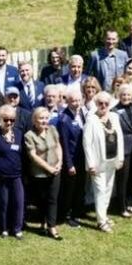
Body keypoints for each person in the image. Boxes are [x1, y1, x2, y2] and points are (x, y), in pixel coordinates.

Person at [83, 92, 124, 232]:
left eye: (106, 103)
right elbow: (87, 144)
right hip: (98, 162)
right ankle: (101, 222)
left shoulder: (114, 117)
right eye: (100, 103)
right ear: (96, 104)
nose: (103, 106)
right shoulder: (91, 120)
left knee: (108, 189)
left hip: (112, 160)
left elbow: (120, 138)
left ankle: (104, 216)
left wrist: (120, 158)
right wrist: (90, 164)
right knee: (100, 191)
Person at [0, 104, 26, 239]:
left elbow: (23, 154)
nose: (9, 122)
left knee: (19, 202)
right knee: (4, 203)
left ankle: (17, 228)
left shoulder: (19, 133)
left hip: (16, 175)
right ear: (0, 119)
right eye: (6, 119)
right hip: (0, 176)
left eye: (12, 120)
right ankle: (4, 228)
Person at [25, 107, 63, 240]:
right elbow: (33, 155)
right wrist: (48, 168)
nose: (44, 121)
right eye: (41, 118)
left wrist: (60, 163)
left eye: (46, 118)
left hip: (55, 171)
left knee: (53, 199)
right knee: (41, 200)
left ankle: (52, 227)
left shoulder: (52, 129)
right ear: (34, 120)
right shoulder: (29, 135)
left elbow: (58, 146)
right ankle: (42, 222)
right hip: (39, 173)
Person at [58, 90, 87, 227]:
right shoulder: (64, 119)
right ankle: (67, 215)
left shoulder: (81, 113)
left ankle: (77, 212)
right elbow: (64, 144)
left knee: (79, 187)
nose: (77, 103)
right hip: (72, 160)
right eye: (74, 101)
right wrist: (69, 164)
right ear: (68, 102)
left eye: (79, 100)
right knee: (69, 190)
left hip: (82, 158)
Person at [112, 84, 132, 217]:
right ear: (119, 95)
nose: (126, 97)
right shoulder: (114, 111)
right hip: (123, 147)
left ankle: (130, 202)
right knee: (123, 178)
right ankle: (121, 207)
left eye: (128, 95)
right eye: (123, 95)